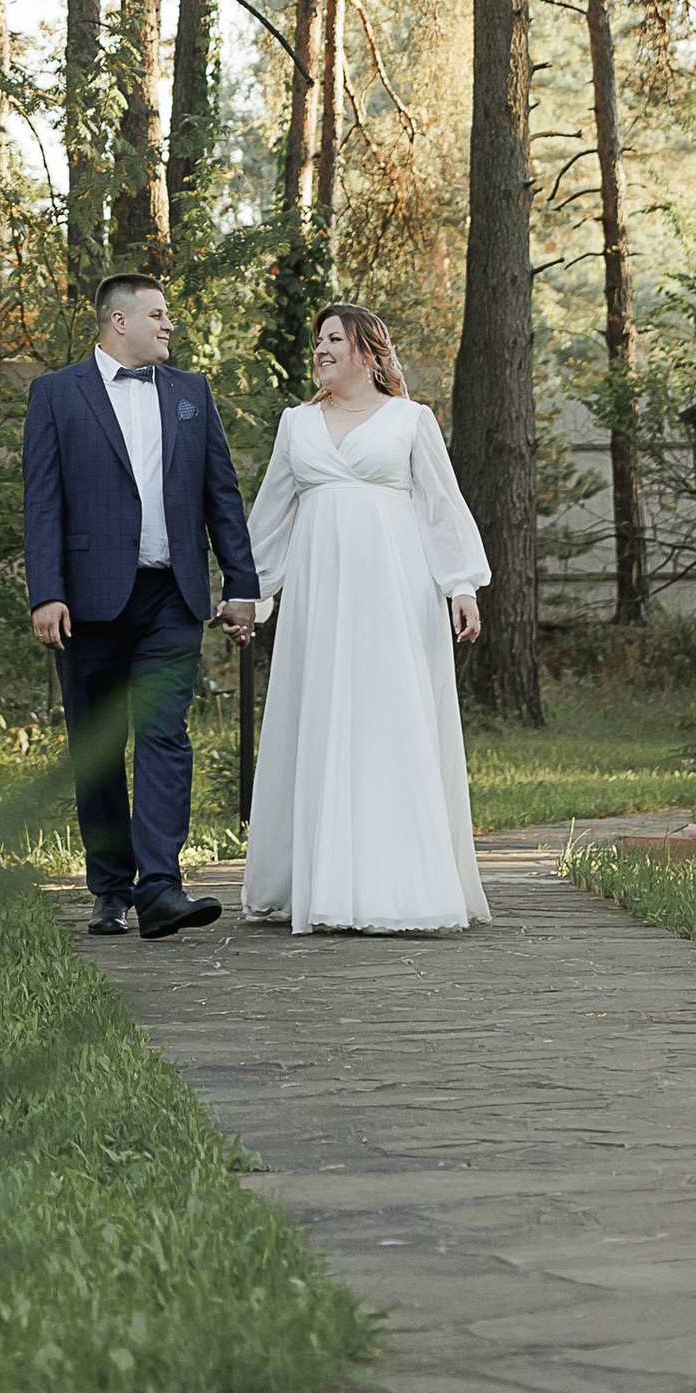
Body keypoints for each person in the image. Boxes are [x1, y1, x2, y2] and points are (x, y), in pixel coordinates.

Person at [240, 301, 494, 934]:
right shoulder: (296, 424)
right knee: (321, 717)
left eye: (334, 339)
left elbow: (440, 505)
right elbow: (271, 514)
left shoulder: (412, 420)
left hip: (395, 592)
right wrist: (250, 593)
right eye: (318, 338)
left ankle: (398, 882)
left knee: (389, 720)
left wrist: (460, 584)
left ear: (368, 352)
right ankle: (317, 880)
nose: (321, 349)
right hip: (319, 597)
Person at [23, 272, 260, 938]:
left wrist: (240, 585)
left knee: (165, 734)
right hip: (88, 602)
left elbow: (222, 495)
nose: (169, 325)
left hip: (171, 597)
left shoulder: (192, 393)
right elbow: (41, 502)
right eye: (158, 314)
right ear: (117, 321)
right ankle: (109, 886)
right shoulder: (56, 394)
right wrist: (47, 592)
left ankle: (160, 886)